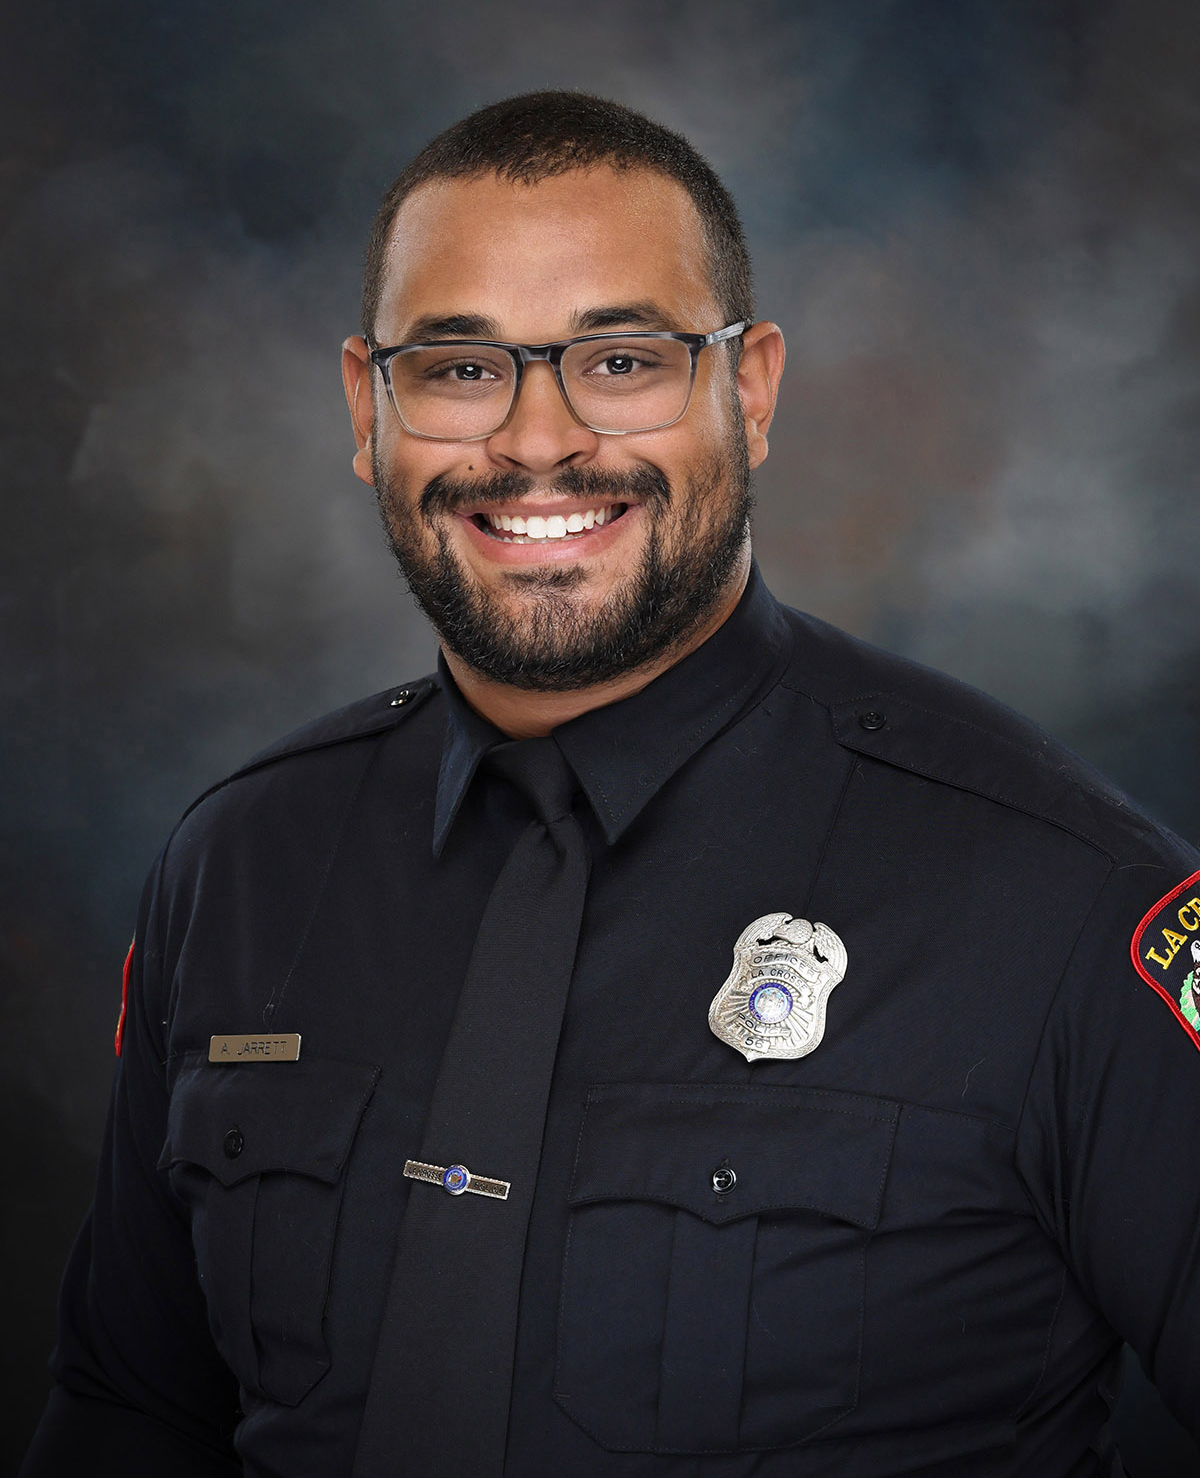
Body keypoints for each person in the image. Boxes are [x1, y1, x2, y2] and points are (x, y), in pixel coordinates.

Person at [22, 91, 1200, 1478]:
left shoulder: (1064, 898)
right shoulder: (240, 865)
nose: (534, 441)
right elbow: (130, 1415)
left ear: (748, 391)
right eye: (460, 370)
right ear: (368, 405)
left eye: (622, 360)